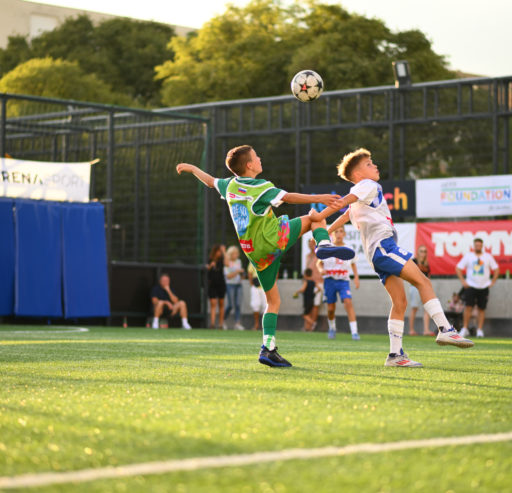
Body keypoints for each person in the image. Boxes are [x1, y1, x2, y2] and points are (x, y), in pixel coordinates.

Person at [177, 144, 354, 367]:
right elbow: (288, 197)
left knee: (273, 301)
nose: (260, 158)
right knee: (314, 217)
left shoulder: (230, 185)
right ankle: (324, 245)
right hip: (272, 239)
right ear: (250, 165)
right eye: (256, 156)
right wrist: (321, 197)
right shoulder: (260, 186)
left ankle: (268, 349)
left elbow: (211, 181)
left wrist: (192, 168)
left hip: (254, 252)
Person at [309, 147, 473, 368]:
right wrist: (320, 216)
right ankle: (446, 329)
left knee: (400, 301)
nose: (375, 166)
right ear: (358, 175)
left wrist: (321, 227)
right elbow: (343, 205)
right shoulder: (369, 185)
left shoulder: (360, 196)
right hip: (384, 247)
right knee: (423, 281)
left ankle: (395, 356)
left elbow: (346, 213)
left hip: (376, 255)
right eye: (369, 164)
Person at [317, 225, 360, 340]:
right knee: (331, 308)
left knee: (348, 302)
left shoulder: (348, 249)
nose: (339, 234)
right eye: (336, 231)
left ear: (344, 234)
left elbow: (353, 263)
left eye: (341, 231)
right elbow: (319, 262)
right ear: (332, 234)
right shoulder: (327, 248)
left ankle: (354, 332)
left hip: (343, 281)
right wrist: (321, 270)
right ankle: (332, 328)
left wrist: (356, 277)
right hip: (329, 281)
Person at [456, 238, 499, 338]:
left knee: (481, 308)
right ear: (474, 246)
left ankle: (479, 330)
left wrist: (493, 281)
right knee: (468, 307)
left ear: (482, 246)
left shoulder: (488, 257)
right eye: (476, 245)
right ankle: (465, 329)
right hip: (471, 286)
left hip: (484, 287)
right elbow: (458, 268)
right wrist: (463, 281)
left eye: (479, 245)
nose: (478, 247)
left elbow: (496, 269)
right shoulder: (468, 256)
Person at [408, 245, 435, 336]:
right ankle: (411, 330)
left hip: (424, 289)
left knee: (427, 308)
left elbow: (428, 277)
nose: (423, 253)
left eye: (424, 251)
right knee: (414, 308)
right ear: (418, 252)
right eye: (421, 251)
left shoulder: (427, 265)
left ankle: (426, 330)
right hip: (415, 287)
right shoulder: (413, 262)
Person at [224, 245, 245, 330]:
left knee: (238, 304)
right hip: (230, 285)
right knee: (230, 305)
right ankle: (223, 321)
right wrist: (237, 271)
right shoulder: (227, 262)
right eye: (234, 253)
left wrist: (242, 275)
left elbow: (240, 273)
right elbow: (228, 276)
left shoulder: (239, 261)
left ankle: (237, 323)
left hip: (238, 285)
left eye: (237, 253)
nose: (236, 255)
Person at [305, 237, 324, 329]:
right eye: (309, 244)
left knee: (315, 304)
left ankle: (312, 325)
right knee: (308, 304)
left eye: (312, 243)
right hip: (309, 284)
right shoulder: (308, 256)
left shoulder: (320, 255)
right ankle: (307, 325)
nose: (311, 245)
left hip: (318, 283)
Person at [207, 244, 227, 329]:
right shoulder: (210, 259)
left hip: (221, 284)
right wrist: (211, 266)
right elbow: (207, 268)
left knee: (221, 304)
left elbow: (228, 263)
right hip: (212, 284)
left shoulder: (222, 260)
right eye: (219, 251)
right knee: (213, 303)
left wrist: (224, 251)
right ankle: (212, 323)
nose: (219, 253)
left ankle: (221, 324)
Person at [247, 262, 267, 331]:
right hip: (256, 286)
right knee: (255, 305)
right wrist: (251, 284)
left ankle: (264, 325)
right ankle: (256, 324)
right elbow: (249, 272)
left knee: (266, 306)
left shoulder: (269, 258)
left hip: (266, 287)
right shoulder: (253, 259)